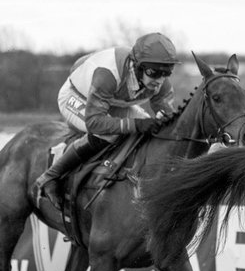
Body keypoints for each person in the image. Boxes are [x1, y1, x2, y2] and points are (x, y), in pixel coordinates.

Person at [33, 31, 180, 211]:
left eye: (166, 73)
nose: (159, 80)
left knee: (152, 130)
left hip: (112, 100)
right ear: (138, 66)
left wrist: (163, 119)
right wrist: (137, 125)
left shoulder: (160, 82)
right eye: (154, 73)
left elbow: (166, 116)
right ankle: (50, 176)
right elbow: (94, 122)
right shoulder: (108, 73)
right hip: (77, 96)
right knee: (111, 133)